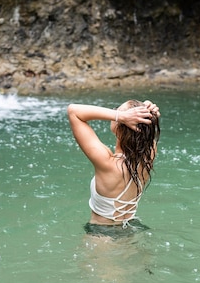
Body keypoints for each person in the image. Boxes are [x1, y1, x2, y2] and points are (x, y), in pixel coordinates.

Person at [67, 99, 161, 235]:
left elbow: (73, 111)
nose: (114, 111)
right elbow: (145, 131)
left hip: (102, 235)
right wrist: (149, 113)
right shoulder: (149, 154)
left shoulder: (108, 163)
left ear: (120, 125)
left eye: (117, 110)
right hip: (132, 229)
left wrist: (120, 116)